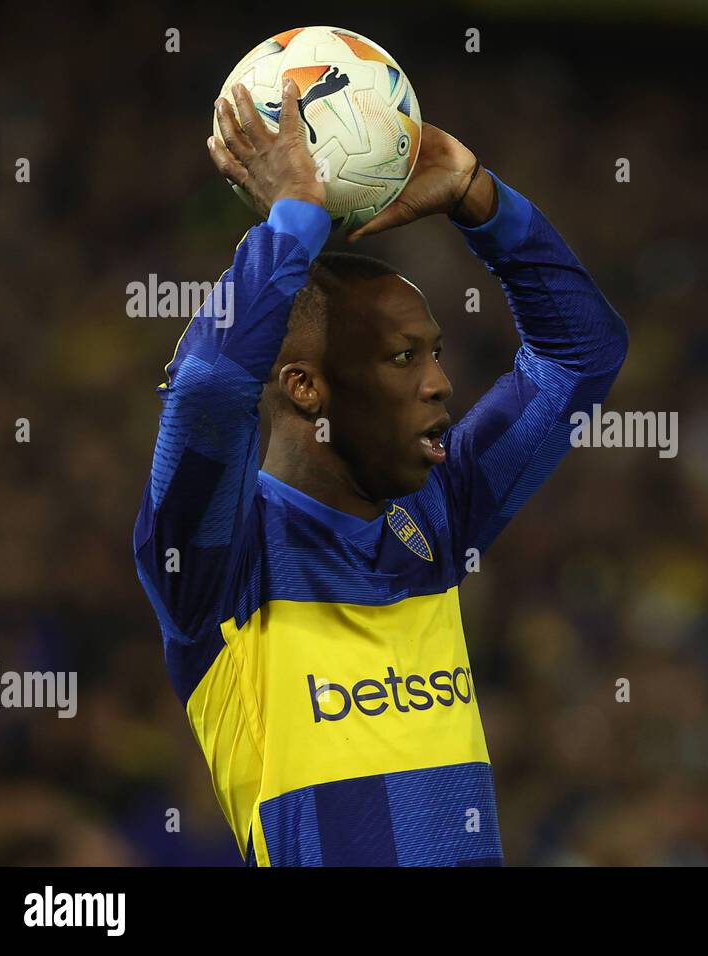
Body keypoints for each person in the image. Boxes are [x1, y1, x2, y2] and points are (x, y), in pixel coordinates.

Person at [133, 79, 628, 865]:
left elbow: (582, 356)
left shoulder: (436, 513)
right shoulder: (218, 561)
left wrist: (483, 202)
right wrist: (294, 215)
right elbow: (207, 387)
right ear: (305, 387)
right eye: (404, 358)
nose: (440, 382)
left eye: (433, 352)